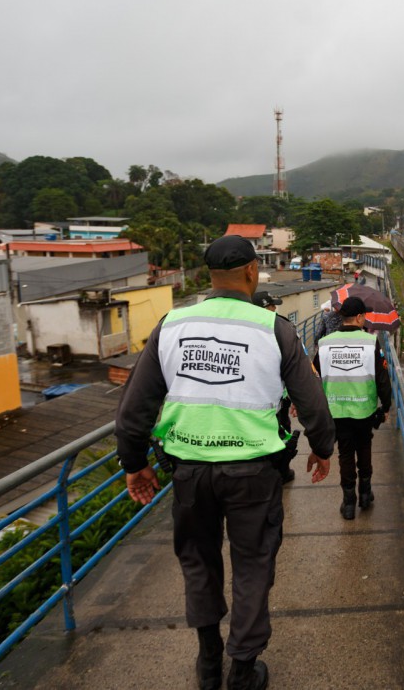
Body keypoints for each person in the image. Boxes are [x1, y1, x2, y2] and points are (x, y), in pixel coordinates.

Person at [116, 236, 335, 690]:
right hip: (253, 475)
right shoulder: (274, 328)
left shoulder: (170, 324)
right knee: (253, 565)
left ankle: (208, 659)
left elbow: (134, 407)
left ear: (210, 275)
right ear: (253, 271)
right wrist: (323, 448)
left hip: (188, 472)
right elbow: (311, 402)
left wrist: (134, 462)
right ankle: (242, 668)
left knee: (198, 562)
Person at [312, 296, 392, 520]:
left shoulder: (325, 343)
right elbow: (382, 379)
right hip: (364, 410)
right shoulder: (370, 342)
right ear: (358, 317)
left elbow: (314, 375)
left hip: (336, 410)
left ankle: (349, 504)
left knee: (345, 454)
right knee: (364, 448)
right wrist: (386, 406)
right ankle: (365, 494)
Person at [253, 290, 298, 484]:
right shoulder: (282, 328)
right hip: (278, 395)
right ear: (264, 308)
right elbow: (296, 367)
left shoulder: (244, 330)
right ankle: (281, 471)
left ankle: (272, 471)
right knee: (281, 430)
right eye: (272, 306)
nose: (275, 309)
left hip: (256, 397)